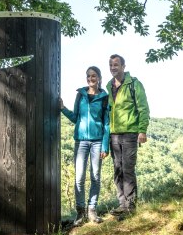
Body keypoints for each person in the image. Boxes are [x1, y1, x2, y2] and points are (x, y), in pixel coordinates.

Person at [60, 66, 110, 225]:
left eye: (94, 76)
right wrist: (62, 109)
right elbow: (75, 118)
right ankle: (80, 212)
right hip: (81, 141)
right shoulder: (80, 95)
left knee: (95, 176)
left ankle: (92, 211)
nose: (91, 78)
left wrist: (105, 145)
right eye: (88, 76)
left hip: (97, 141)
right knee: (79, 177)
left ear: (99, 77)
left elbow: (107, 123)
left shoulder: (104, 97)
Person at [106, 54, 150, 216]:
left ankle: (130, 205)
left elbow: (143, 108)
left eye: (116, 65)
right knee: (118, 170)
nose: (113, 67)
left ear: (123, 66)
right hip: (114, 135)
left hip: (131, 133)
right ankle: (122, 204)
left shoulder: (134, 84)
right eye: (111, 65)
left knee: (128, 169)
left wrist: (142, 130)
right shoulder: (108, 86)